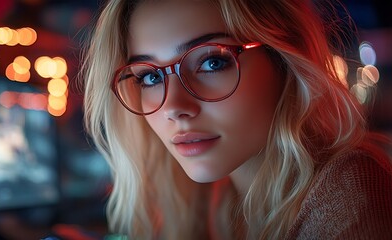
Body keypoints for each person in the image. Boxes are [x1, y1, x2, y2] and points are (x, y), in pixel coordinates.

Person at [80, 0, 392, 239]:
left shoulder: (349, 195)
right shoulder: (213, 197)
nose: (174, 107)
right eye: (148, 77)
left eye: (212, 62)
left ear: (283, 60)